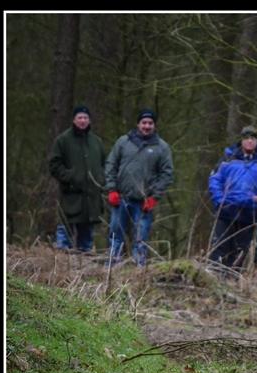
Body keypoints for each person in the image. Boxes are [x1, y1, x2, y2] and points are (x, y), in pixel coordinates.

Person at [105, 108, 174, 266]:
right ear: (138, 124)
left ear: (155, 126)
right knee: (116, 236)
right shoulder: (123, 142)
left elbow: (167, 174)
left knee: (140, 239)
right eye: (144, 122)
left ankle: (139, 271)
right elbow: (111, 164)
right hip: (120, 198)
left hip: (143, 203)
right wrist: (112, 189)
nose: (147, 126)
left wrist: (154, 197)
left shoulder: (162, 148)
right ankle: (110, 268)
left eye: (150, 123)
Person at [208, 126, 257, 270]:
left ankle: (233, 280)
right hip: (226, 210)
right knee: (220, 246)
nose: (250, 142)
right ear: (242, 140)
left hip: (249, 213)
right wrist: (220, 200)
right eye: (246, 138)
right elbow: (215, 181)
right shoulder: (228, 159)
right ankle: (215, 276)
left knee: (240, 251)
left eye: (253, 138)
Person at [48, 105, 107, 252]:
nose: (83, 120)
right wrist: (70, 176)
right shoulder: (62, 140)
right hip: (71, 196)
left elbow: (104, 165)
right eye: (79, 117)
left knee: (86, 242)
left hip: (91, 198)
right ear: (74, 120)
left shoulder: (96, 141)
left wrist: (100, 180)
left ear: (89, 120)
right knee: (64, 233)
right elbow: (54, 165)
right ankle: (60, 268)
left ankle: (84, 270)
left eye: (85, 118)